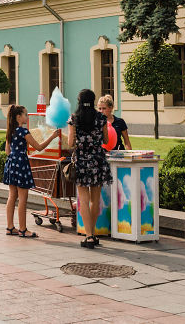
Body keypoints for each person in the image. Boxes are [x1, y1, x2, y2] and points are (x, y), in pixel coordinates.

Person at [3, 104, 61, 238]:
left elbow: (7, 151)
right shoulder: (24, 132)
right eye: (25, 114)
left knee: (12, 196)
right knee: (23, 198)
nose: (27, 116)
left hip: (11, 163)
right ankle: (23, 229)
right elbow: (39, 147)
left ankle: (10, 227)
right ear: (18, 117)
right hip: (21, 164)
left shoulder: (10, 131)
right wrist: (52, 136)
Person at [68, 89, 113, 249]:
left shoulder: (74, 118)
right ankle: (92, 234)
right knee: (95, 200)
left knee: (84, 201)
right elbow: (106, 139)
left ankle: (88, 236)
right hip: (98, 161)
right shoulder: (101, 118)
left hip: (81, 161)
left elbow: (70, 142)